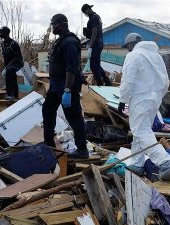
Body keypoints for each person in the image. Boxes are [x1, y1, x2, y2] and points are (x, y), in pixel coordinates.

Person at [118, 33, 170, 181]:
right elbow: (165, 80)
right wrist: (157, 96)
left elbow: (127, 80)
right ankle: (137, 164)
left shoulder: (133, 56)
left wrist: (122, 99)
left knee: (140, 130)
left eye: (127, 47)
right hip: (155, 98)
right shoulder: (156, 56)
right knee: (141, 130)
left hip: (140, 97)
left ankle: (164, 161)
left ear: (130, 45)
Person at [43, 14, 88, 159]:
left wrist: (67, 90)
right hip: (56, 85)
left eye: (54, 24)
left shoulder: (69, 42)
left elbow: (71, 67)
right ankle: (49, 144)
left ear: (62, 24)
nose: (52, 27)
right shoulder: (60, 41)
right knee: (48, 110)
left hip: (67, 85)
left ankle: (82, 150)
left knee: (74, 117)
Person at [81, 3, 111, 86]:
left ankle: (100, 83)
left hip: (96, 43)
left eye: (85, 13)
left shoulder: (93, 18)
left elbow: (94, 31)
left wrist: (90, 47)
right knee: (96, 64)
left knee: (93, 65)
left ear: (87, 10)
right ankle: (106, 82)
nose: (85, 14)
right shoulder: (96, 16)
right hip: (99, 42)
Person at [0, 26, 24, 100]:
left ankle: (10, 94)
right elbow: (6, 58)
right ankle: (15, 95)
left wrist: (8, 67)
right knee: (12, 75)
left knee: (9, 71)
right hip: (10, 64)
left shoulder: (13, 43)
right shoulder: (3, 44)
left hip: (17, 62)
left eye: (0, 32)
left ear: (5, 33)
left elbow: (16, 57)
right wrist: (5, 67)